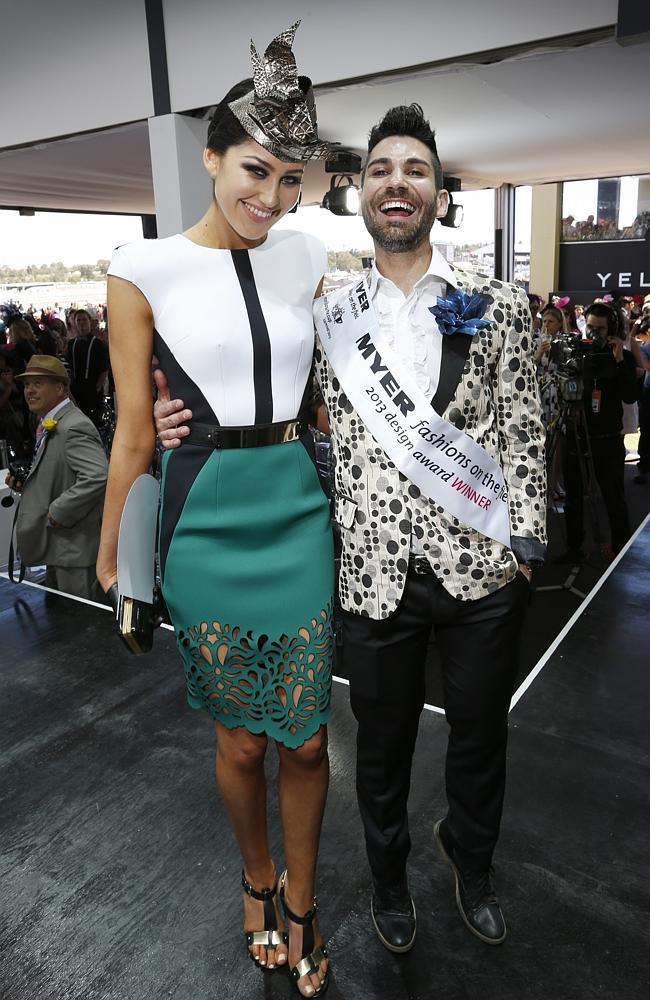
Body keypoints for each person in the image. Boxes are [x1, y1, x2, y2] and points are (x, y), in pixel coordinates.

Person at [155, 103, 548, 953]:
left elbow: (524, 429)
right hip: (370, 575)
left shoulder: (500, 304)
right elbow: (260, 400)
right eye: (378, 171)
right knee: (380, 750)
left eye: (414, 170)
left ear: (439, 195)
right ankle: (389, 877)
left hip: (481, 574)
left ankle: (470, 859)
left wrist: (526, 545)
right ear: (359, 195)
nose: (395, 184)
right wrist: (173, 416)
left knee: (482, 738)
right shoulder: (328, 315)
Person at [96, 22, 335, 999]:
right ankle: (254, 875)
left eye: (289, 178)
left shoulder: (308, 254)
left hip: (297, 511)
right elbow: (131, 434)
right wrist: (115, 549)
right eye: (253, 169)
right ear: (208, 155)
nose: (270, 198)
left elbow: (318, 395)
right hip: (205, 522)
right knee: (240, 737)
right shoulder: (137, 270)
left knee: (309, 736)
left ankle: (305, 897)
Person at [5, 355, 107, 600]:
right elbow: (62, 473)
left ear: (60, 388)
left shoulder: (73, 426)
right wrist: (25, 483)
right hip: (61, 549)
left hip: (75, 551)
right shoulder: (52, 423)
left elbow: (98, 476)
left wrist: (59, 511)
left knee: (80, 626)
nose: (29, 390)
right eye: (27, 384)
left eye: (38, 383)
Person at [558, 301, 637, 562]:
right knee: (573, 497)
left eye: (600, 329)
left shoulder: (620, 357)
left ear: (611, 329)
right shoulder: (578, 352)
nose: (593, 333)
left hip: (607, 439)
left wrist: (619, 360)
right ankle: (573, 547)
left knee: (614, 496)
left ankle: (621, 548)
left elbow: (629, 396)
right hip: (577, 434)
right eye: (590, 327)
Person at [66, 308, 109, 424]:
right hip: (77, 390)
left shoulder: (98, 344)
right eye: (78, 320)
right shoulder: (71, 344)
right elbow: (69, 367)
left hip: (93, 390)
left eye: (84, 320)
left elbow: (105, 368)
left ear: (90, 321)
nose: (81, 323)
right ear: (74, 323)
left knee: (95, 422)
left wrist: (97, 387)